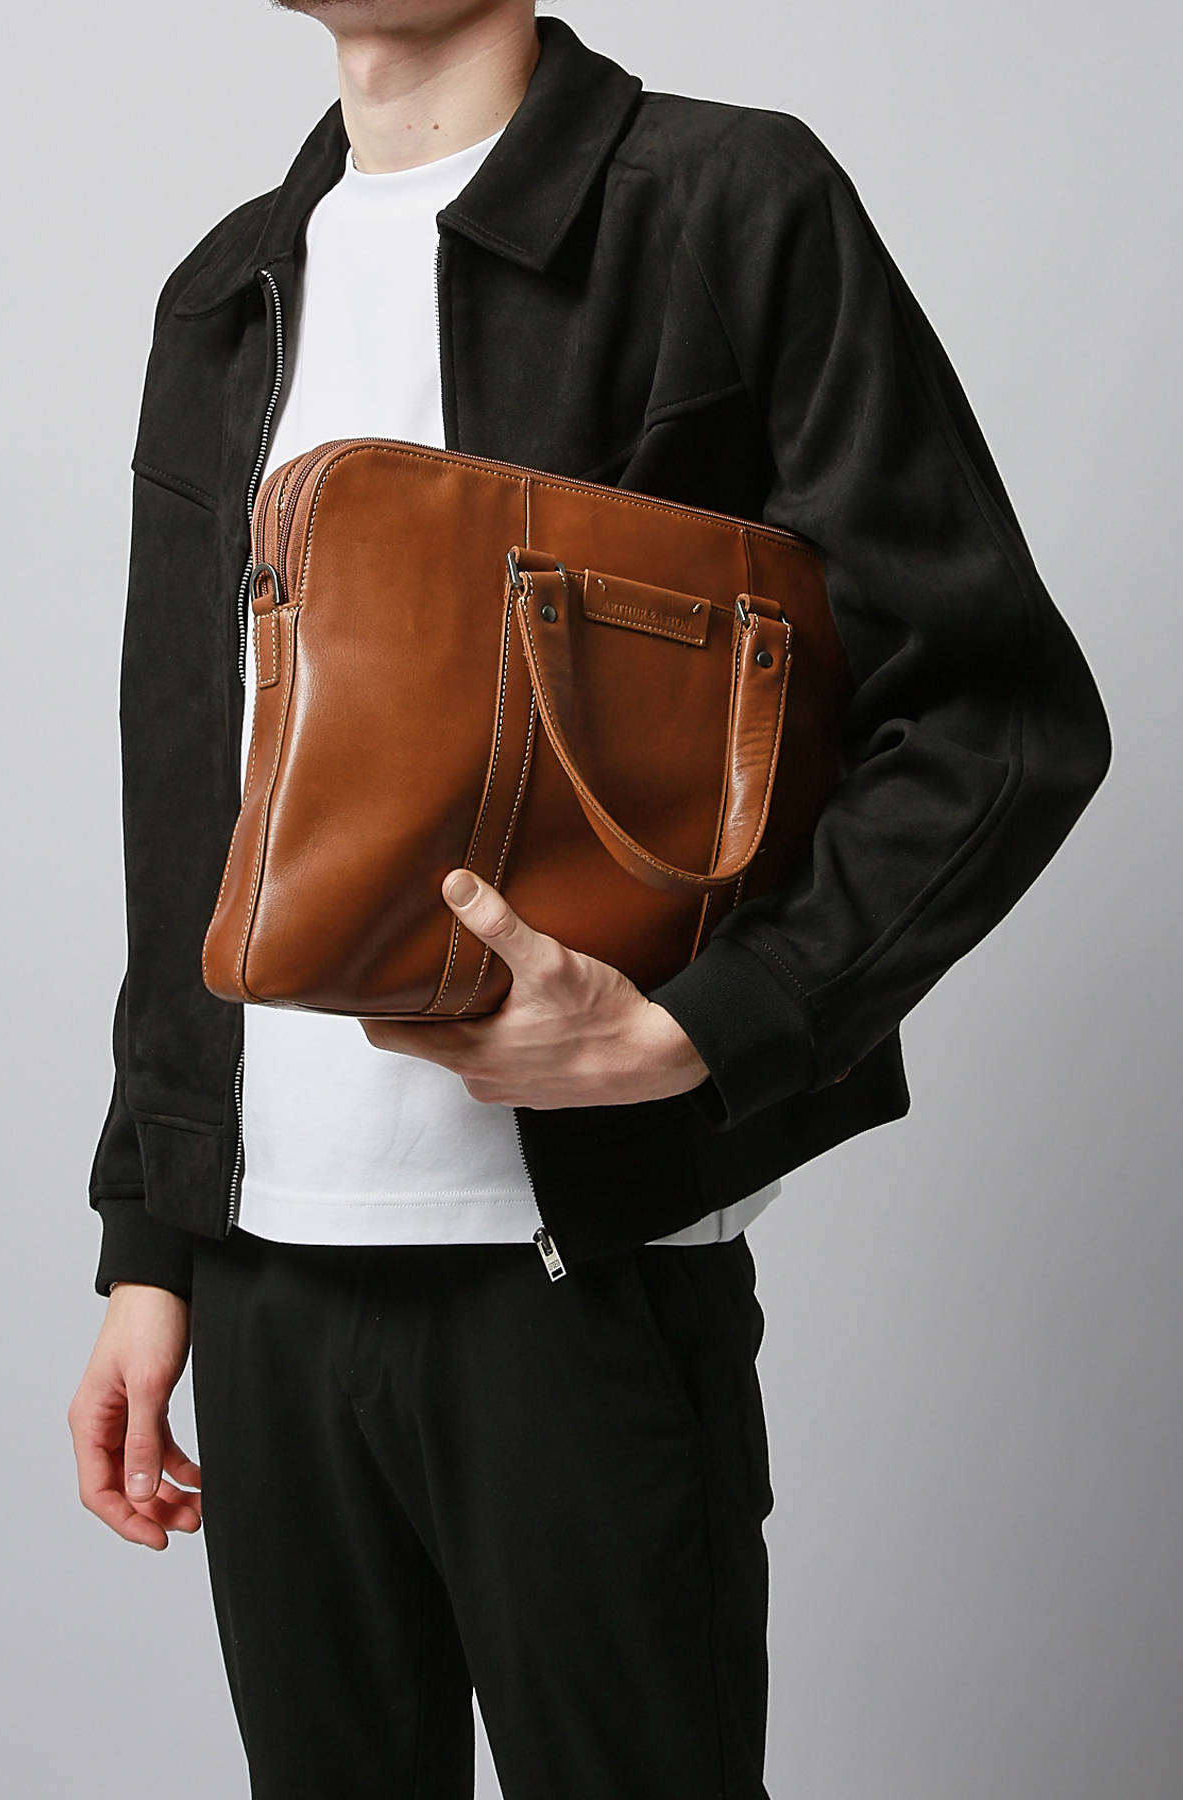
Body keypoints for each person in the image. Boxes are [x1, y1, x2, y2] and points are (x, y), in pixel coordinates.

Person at [67, 4, 1112, 1795]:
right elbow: (192, 793)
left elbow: (997, 718)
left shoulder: (722, 201)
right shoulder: (227, 289)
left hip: (578, 1272)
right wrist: (151, 1244)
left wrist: (705, 1029)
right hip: (260, 1278)